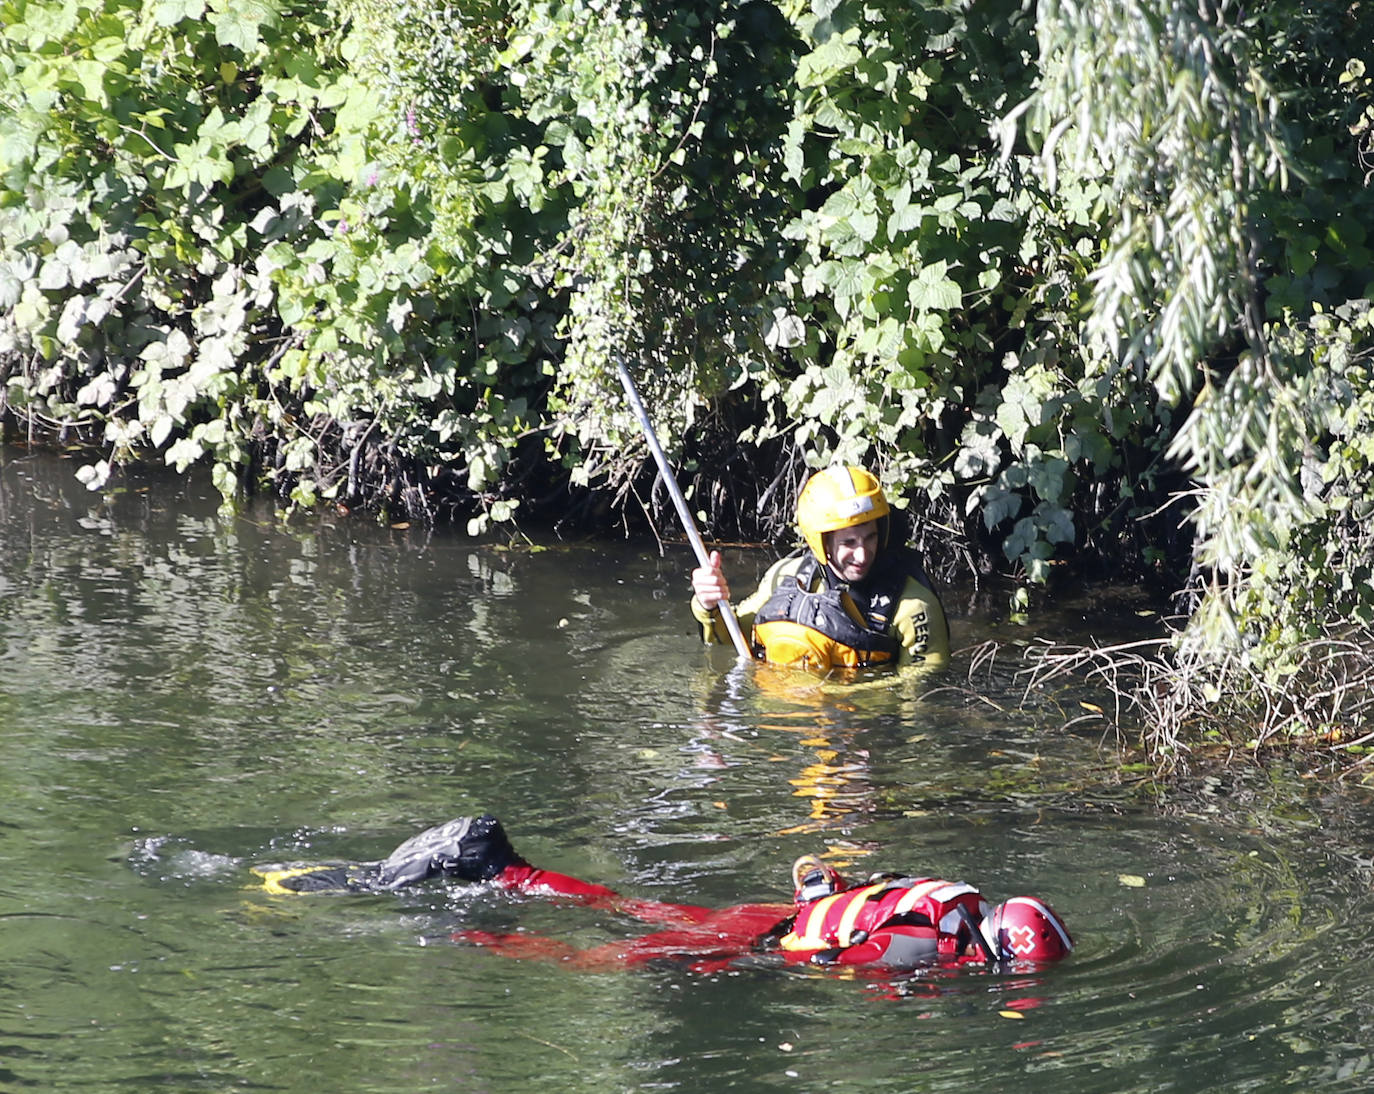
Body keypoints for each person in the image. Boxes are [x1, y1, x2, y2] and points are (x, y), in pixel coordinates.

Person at [252, 815, 1073, 974]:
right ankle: (471, 939)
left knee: (622, 903)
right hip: (759, 941)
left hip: (766, 912)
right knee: (598, 963)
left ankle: (504, 868)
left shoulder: (951, 895)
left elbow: (839, 891)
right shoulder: (936, 944)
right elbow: (844, 960)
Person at [690, 466, 950, 672]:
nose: (862, 554)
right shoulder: (786, 576)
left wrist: (826, 694)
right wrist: (708, 605)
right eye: (848, 542)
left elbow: (919, 689)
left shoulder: (913, 607)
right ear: (819, 541)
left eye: (870, 537)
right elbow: (728, 639)